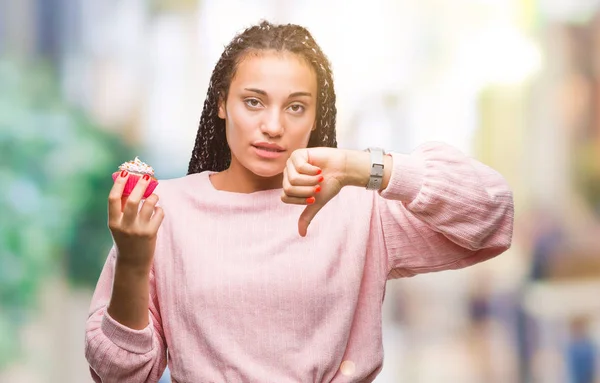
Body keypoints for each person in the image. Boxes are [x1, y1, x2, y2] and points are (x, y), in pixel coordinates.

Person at [84, 20, 514, 383]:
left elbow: (492, 213)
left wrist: (361, 167)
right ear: (221, 104)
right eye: (253, 102)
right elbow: (119, 375)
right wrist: (134, 262)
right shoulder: (165, 212)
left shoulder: (358, 211)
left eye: (295, 107)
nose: (273, 125)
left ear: (315, 116)